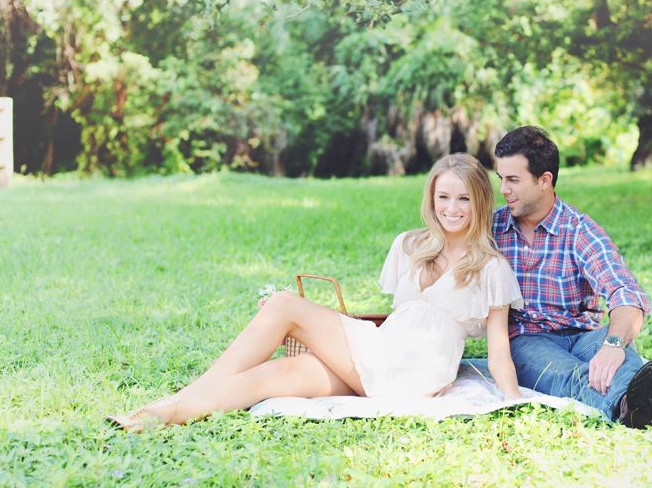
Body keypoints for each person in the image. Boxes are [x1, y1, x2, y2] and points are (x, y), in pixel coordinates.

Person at [107, 153, 524, 429]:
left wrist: (511, 399)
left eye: (464, 199)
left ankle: (179, 397)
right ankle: (163, 415)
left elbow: (498, 350)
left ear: (481, 202)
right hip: (382, 351)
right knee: (279, 374)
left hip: (418, 370)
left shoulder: (491, 268)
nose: (451, 208)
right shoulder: (410, 245)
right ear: (431, 198)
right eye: (443, 196)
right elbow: (402, 318)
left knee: (284, 304)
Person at [492, 126, 652, 430]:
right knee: (568, 374)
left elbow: (625, 292)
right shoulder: (492, 228)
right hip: (527, 340)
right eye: (501, 178)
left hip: (582, 335)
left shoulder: (579, 230)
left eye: (513, 180)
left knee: (620, 355)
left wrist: (613, 344)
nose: (503, 189)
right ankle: (644, 406)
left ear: (544, 180)